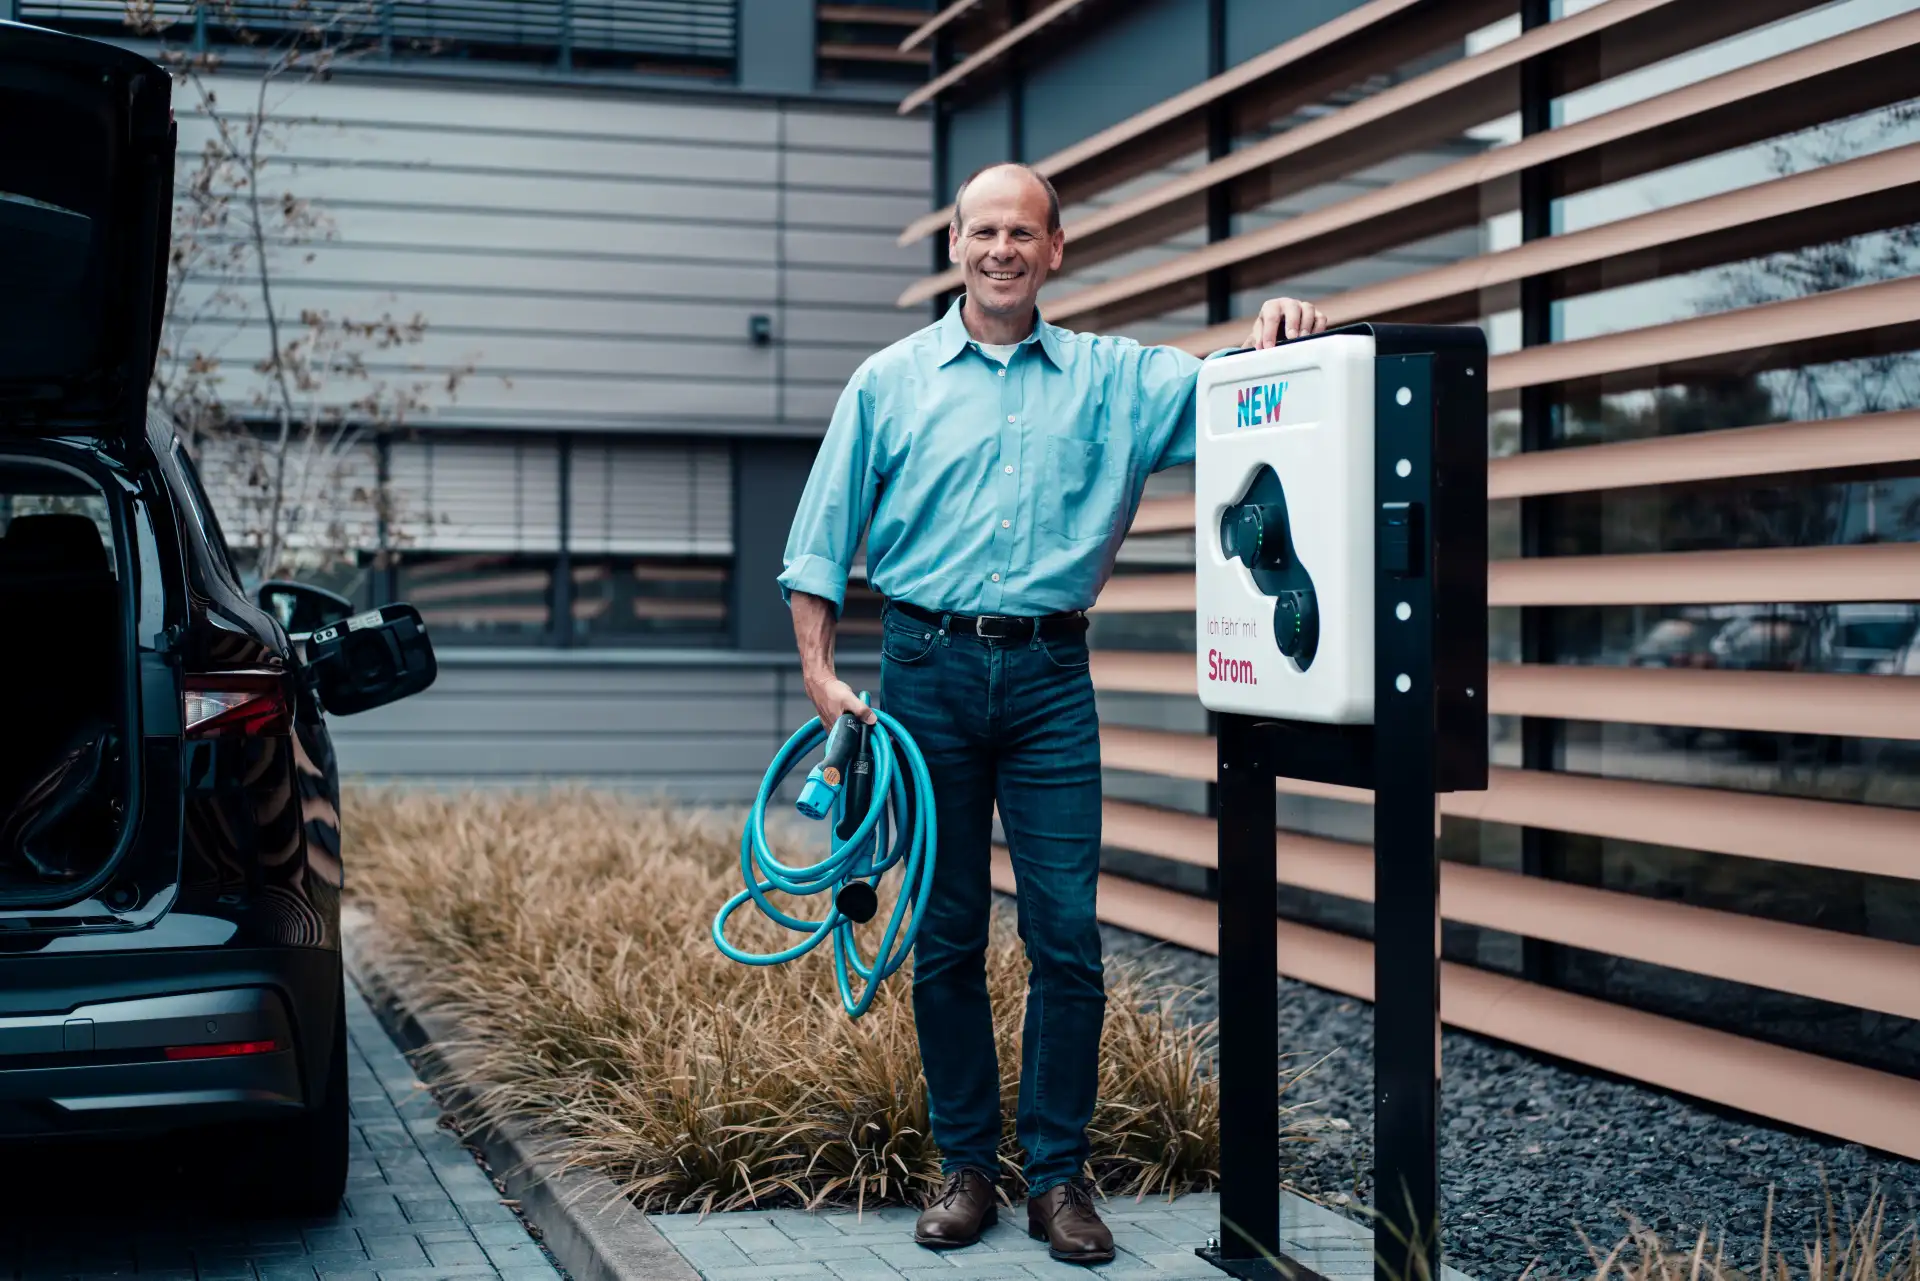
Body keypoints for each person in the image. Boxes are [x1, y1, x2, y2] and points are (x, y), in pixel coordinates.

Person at [778, 162, 1327, 1264]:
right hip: (924, 670)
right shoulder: (888, 382)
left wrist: (1286, 333)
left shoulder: (1114, 380)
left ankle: (1060, 1181)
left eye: (1022, 233)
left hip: (1048, 682)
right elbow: (817, 543)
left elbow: (1237, 386)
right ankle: (968, 1170)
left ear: (1056, 249)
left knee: (1067, 937)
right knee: (944, 938)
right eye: (983, 231)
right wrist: (822, 676)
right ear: (956, 245)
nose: (1001, 250)